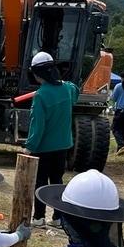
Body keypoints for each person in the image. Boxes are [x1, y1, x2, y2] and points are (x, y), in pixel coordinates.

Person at [25, 51, 77, 227]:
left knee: (40, 183)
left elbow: (37, 126)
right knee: (57, 181)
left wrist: (30, 146)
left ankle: (39, 217)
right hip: (63, 145)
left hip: (44, 148)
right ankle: (57, 217)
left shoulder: (40, 95)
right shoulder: (68, 89)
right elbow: (75, 90)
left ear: (39, 74)